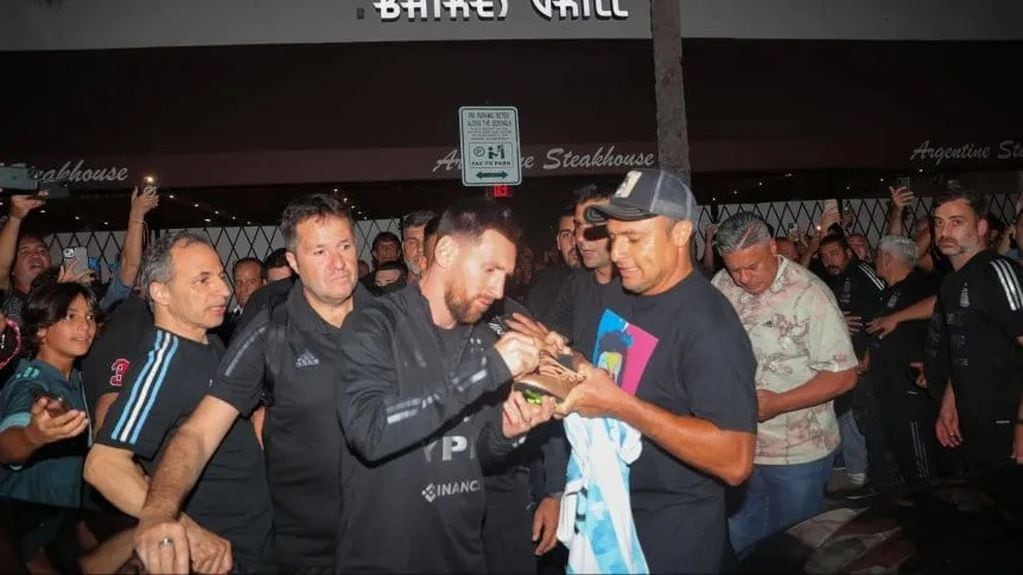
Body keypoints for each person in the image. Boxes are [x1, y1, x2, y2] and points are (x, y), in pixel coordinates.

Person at [129, 194, 369, 573]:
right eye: (319, 251)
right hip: (309, 552)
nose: (338, 263)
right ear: (293, 262)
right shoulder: (270, 332)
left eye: (344, 246)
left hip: (395, 538)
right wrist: (160, 511)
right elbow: (198, 433)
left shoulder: (393, 320)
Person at [333, 198, 556, 572]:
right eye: (489, 269)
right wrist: (487, 370)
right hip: (383, 560)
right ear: (447, 251)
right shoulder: (375, 325)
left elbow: (473, 454)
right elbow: (368, 432)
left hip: (461, 555)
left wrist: (506, 432)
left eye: (506, 275)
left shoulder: (483, 341)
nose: (499, 290)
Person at [557, 169, 758, 572]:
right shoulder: (622, 293)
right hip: (611, 511)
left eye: (634, 239)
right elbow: (613, 374)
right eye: (614, 238)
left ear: (681, 233)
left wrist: (620, 406)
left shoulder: (709, 325)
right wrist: (562, 359)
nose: (617, 254)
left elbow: (736, 459)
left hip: (673, 534)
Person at [84, 231, 274, 574]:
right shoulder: (162, 362)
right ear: (160, 292)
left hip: (255, 540)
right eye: (203, 280)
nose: (225, 289)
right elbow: (103, 464)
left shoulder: (208, 340)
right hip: (221, 556)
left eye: (220, 276)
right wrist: (187, 530)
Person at [711, 211, 857, 556]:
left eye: (753, 266)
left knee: (793, 551)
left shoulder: (810, 295)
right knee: (745, 544)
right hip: (738, 447)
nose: (744, 278)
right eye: (735, 268)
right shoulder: (721, 284)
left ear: (773, 248)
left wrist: (777, 403)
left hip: (798, 454)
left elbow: (845, 375)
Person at [0, 281, 98, 572]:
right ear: (41, 329)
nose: (85, 326)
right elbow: (7, 446)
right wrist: (33, 435)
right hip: (24, 536)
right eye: (70, 316)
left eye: (90, 316)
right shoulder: (31, 383)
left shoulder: (73, 378)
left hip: (57, 525)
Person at [927, 189, 1023, 473]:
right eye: (938, 222)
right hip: (971, 420)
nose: (944, 231)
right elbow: (961, 349)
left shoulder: (996, 272)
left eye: (956, 222)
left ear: (981, 227)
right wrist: (949, 405)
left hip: (1005, 420)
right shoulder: (951, 282)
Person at [868, 235, 941, 483]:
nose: (874, 259)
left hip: (911, 393)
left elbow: (940, 306)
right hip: (889, 390)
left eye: (877, 255)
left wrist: (898, 317)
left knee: (921, 463)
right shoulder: (888, 292)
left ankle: (931, 512)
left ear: (887, 258)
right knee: (903, 460)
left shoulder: (919, 287)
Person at [818, 233, 886, 487]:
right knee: (848, 415)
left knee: (867, 421)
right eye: (824, 257)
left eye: (834, 253)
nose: (829, 261)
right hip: (846, 363)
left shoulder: (865, 274)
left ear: (848, 253)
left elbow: (889, 306)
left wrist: (870, 354)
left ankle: (874, 479)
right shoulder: (835, 279)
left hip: (866, 363)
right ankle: (856, 468)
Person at [548, 184, 634, 358]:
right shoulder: (577, 282)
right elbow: (556, 331)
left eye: (593, 227)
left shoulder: (637, 288)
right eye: (579, 226)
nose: (579, 238)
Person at [526, 203, 580, 324]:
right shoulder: (543, 285)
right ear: (558, 242)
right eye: (566, 235)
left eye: (579, 233)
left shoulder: (615, 286)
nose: (574, 242)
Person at [213, 257, 266, 344]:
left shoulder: (272, 318)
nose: (243, 288)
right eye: (239, 282)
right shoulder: (220, 322)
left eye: (251, 281)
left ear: (264, 283)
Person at [402, 209, 436, 283]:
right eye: (412, 242)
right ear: (403, 248)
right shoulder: (391, 292)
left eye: (426, 241)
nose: (420, 249)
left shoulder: (459, 291)